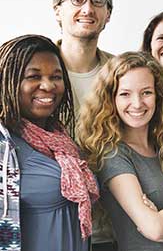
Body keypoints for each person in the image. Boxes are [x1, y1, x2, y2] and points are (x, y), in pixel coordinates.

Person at [78, 52, 163, 251]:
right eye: (125, 94)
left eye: (146, 92)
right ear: (111, 99)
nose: (137, 103)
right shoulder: (112, 154)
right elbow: (155, 228)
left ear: (158, 96)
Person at [0, 34, 99, 251]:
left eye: (56, 77)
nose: (48, 85)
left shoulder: (62, 140)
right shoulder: (4, 147)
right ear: (8, 81)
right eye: (33, 76)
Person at [53, 0, 114, 118]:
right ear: (58, 11)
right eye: (77, 0)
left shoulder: (121, 71)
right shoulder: (30, 68)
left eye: (98, 1)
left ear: (108, 14)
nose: (88, 9)